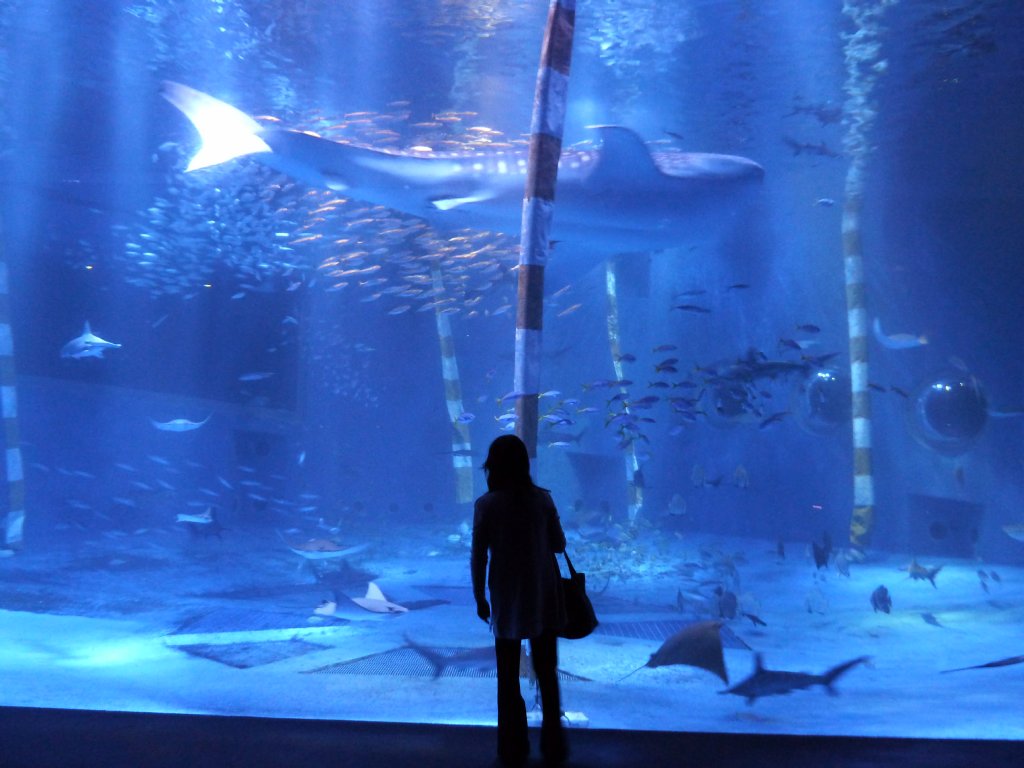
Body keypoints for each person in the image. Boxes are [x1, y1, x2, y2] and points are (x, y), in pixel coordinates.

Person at [471, 434, 568, 766]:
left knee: (507, 674)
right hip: (543, 594)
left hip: (505, 595)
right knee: (546, 670)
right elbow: (558, 544)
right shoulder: (543, 500)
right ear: (525, 465)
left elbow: (478, 557)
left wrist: (479, 596)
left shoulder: (486, 505)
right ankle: (554, 742)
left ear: (493, 468)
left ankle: (512, 744)